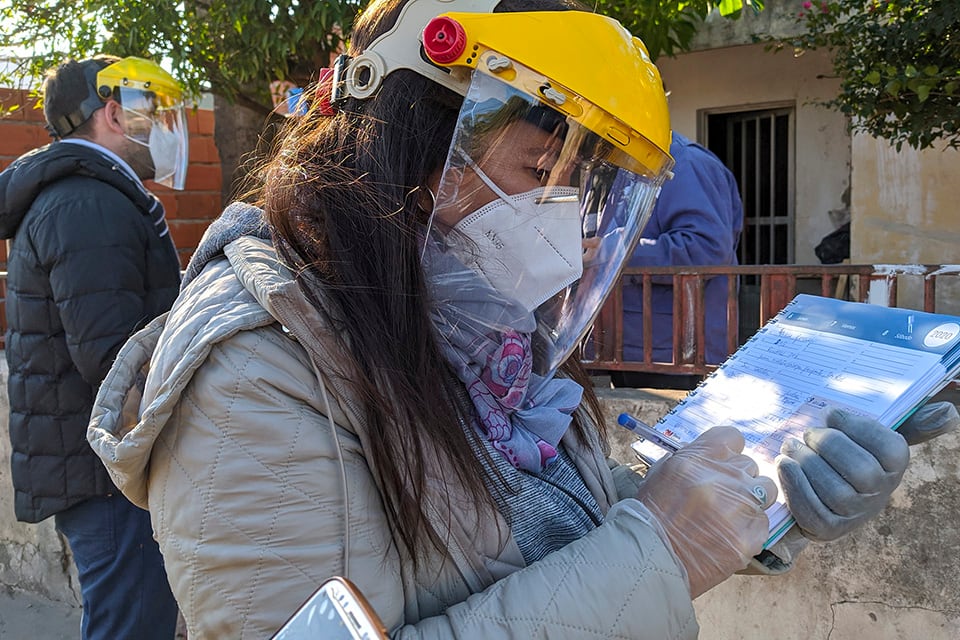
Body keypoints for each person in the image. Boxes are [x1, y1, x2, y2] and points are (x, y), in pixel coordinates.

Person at [85, 1, 957, 638]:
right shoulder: (253, 374)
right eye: (541, 168)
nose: (566, 223)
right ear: (411, 153)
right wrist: (663, 550)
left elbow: (543, 531)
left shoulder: (483, 342)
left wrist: (769, 495)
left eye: (584, 191)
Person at [0, 55, 187, 639]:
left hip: (95, 466)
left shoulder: (87, 196)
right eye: (149, 112)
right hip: (108, 475)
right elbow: (116, 361)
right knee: (130, 625)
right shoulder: (88, 204)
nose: (158, 126)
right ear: (113, 112)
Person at [613, 131, 744, 389]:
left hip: (675, 354)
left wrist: (614, 253)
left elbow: (706, 249)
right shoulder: (628, 161)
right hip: (633, 346)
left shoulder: (686, 163)